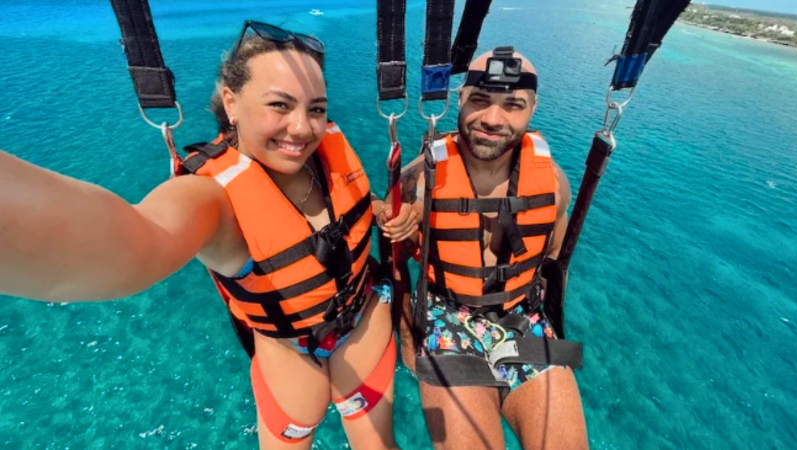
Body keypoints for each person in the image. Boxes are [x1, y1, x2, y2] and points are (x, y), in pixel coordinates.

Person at [0, 20, 416, 450]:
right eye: (279, 105)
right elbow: (131, 242)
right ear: (231, 103)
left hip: (363, 329)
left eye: (315, 108)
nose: (302, 128)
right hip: (291, 360)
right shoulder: (214, 199)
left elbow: (348, 214)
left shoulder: (327, 156)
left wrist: (387, 212)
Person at [390, 47, 589, 450]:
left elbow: (549, 260)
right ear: (459, 100)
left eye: (512, 105)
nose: (493, 119)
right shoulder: (418, 182)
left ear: (532, 108)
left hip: (524, 318)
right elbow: (396, 268)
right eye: (480, 100)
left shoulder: (553, 185)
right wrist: (408, 339)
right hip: (448, 323)